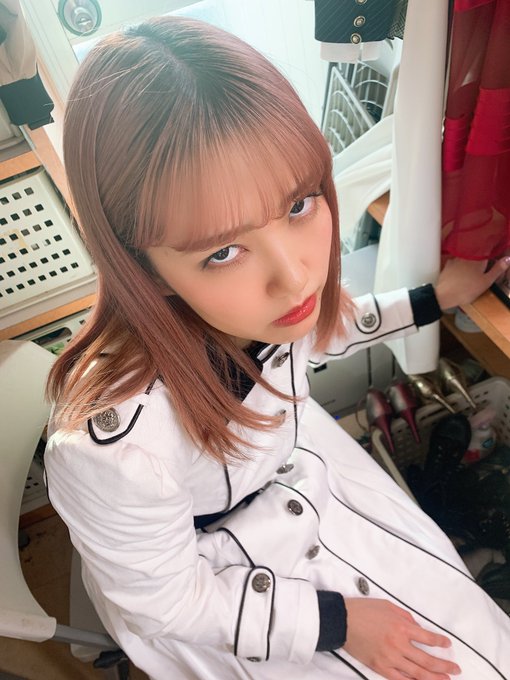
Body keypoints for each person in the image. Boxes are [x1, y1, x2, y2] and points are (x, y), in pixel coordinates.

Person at [44, 16, 510, 680]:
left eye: (298, 206)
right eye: (222, 251)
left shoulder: (262, 308)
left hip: (291, 485)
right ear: (140, 265)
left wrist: (433, 298)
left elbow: (328, 328)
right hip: (216, 590)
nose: (295, 277)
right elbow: (166, 602)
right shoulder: (115, 448)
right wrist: (338, 623)